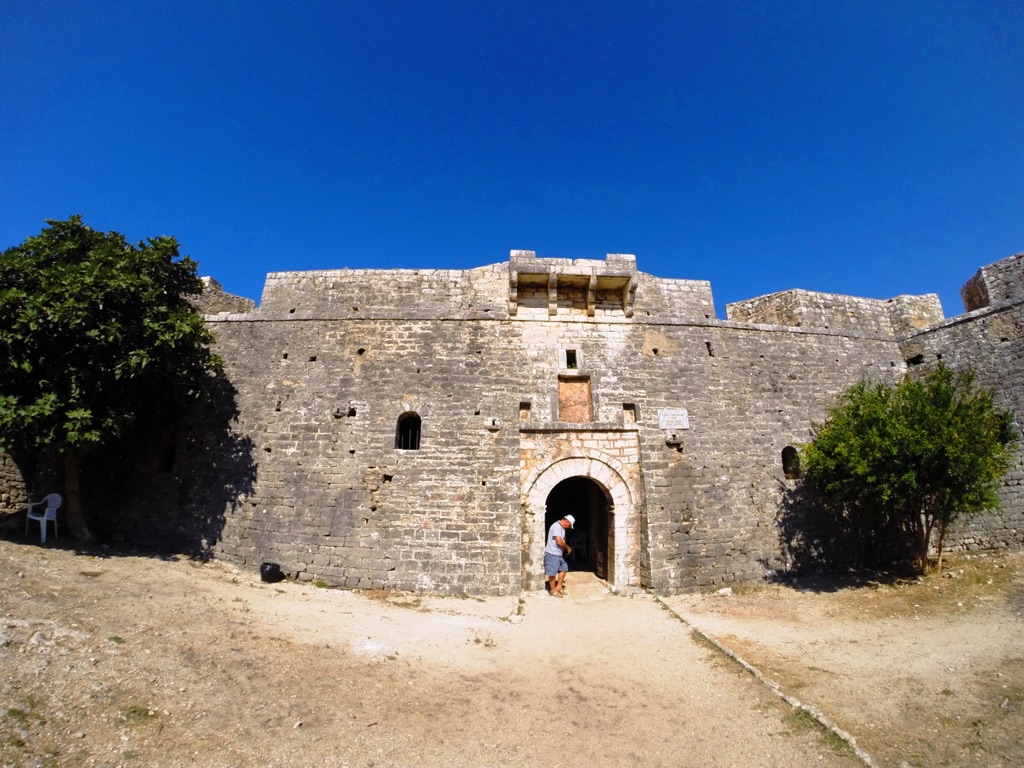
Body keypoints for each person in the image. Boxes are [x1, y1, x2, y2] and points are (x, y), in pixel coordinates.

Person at [544, 514, 575, 597]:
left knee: (564, 567)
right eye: (569, 525)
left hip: (558, 553)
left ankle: (559, 587)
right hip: (552, 553)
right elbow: (559, 541)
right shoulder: (557, 527)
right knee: (552, 572)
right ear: (566, 521)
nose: (569, 527)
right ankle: (553, 591)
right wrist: (568, 548)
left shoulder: (561, 528)